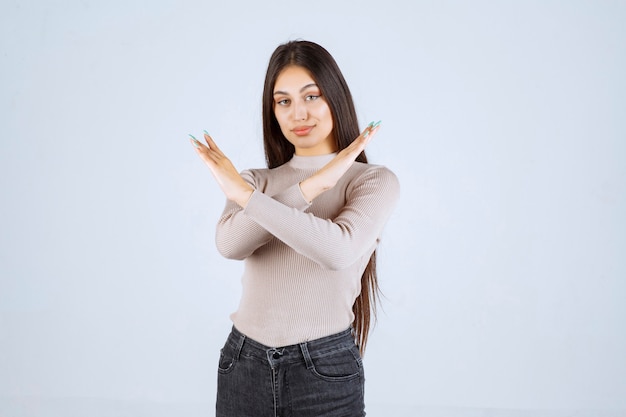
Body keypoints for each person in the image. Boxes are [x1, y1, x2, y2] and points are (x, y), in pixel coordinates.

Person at [189, 40, 399, 417]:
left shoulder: (372, 182)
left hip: (323, 370)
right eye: (283, 101)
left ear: (335, 97)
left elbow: (337, 251)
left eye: (311, 96)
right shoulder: (257, 181)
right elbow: (229, 244)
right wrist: (309, 187)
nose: (298, 113)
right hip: (243, 364)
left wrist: (249, 198)